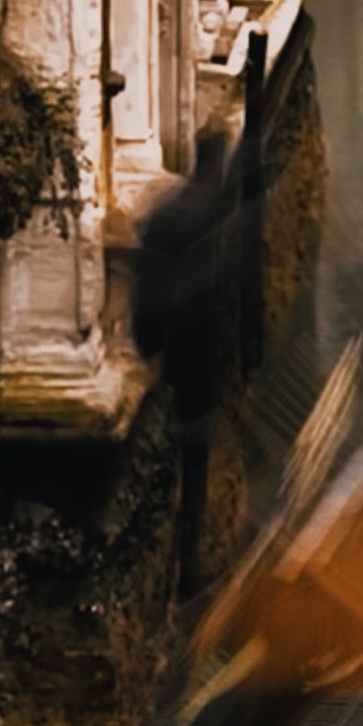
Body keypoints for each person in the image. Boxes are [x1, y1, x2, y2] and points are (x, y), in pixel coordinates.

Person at [131, 128, 238, 593]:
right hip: (200, 351)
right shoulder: (215, 215)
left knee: (186, 445)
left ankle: (185, 553)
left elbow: (146, 276)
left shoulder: (166, 212)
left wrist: (147, 341)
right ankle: (190, 559)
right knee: (194, 447)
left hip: (173, 346)